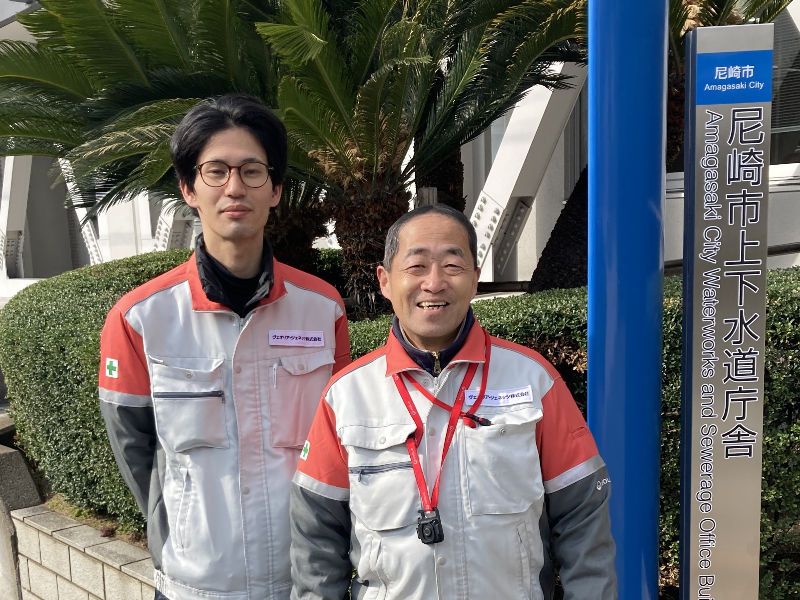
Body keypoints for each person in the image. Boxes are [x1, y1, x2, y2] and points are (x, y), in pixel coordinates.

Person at [290, 204, 616, 599]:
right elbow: (316, 543)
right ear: (385, 280)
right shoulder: (346, 395)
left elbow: (583, 523)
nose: (434, 283)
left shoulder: (534, 380)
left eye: (452, 266)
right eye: (416, 266)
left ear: (474, 279)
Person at [98, 94, 350, 600]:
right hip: (196, 583)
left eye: (252, 171)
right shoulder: (140, 319)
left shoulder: (322, 310)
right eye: (215, 171)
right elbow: (135, 450)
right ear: (188, 188)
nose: (235, 187)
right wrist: (181, 531)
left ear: (275, 189)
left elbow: (339, 439)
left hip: (302, 581)